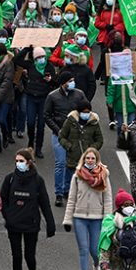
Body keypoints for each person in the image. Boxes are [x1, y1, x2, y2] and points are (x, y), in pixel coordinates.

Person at [0, 149, 55, 270]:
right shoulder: (10, 179)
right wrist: (8, 216)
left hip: (31, 225)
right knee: (16, 257)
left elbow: (44, 203)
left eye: (21, 161)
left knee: (29, 256)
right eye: (17, 161)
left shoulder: (37, 180)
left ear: (29, 163)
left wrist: (50, 223)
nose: (18, 164)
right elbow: (2, 199)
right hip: (14, 225)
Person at [63, 148, 112, 270]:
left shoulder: (104, 176)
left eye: (92, 158)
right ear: (84, 159)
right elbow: (71, 199)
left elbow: (108, 199)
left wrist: (107, 220)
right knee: (83, 249)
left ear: (97, 161)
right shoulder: (77, 176)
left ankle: (96, 265)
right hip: (80, 217)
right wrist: (67, 219)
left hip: (97, 218)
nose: (90, 160)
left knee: (94, 249)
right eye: (87, 158)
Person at [42, 72, 88, 207]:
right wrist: (57, 130)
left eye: (73, 80)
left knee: (71, 164)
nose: (72, 83)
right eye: (70, 81)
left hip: (75, 135)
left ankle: (68, 189)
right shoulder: (52, 96)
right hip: (59, 135)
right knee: (60, 163)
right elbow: (46, 115)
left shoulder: (79, 95)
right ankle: (59, 193)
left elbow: (86, 111)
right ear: (63, 83)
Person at [59, 102, 104, 173]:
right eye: (84, 112)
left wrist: (91, 149)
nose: (86, 114)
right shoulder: (71, 121)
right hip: (72, 161)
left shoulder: (94, 123)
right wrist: (69, 146)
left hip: (89, 164)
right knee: (70, 182)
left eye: (88, 112)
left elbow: (99, 140)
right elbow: (61, 137)